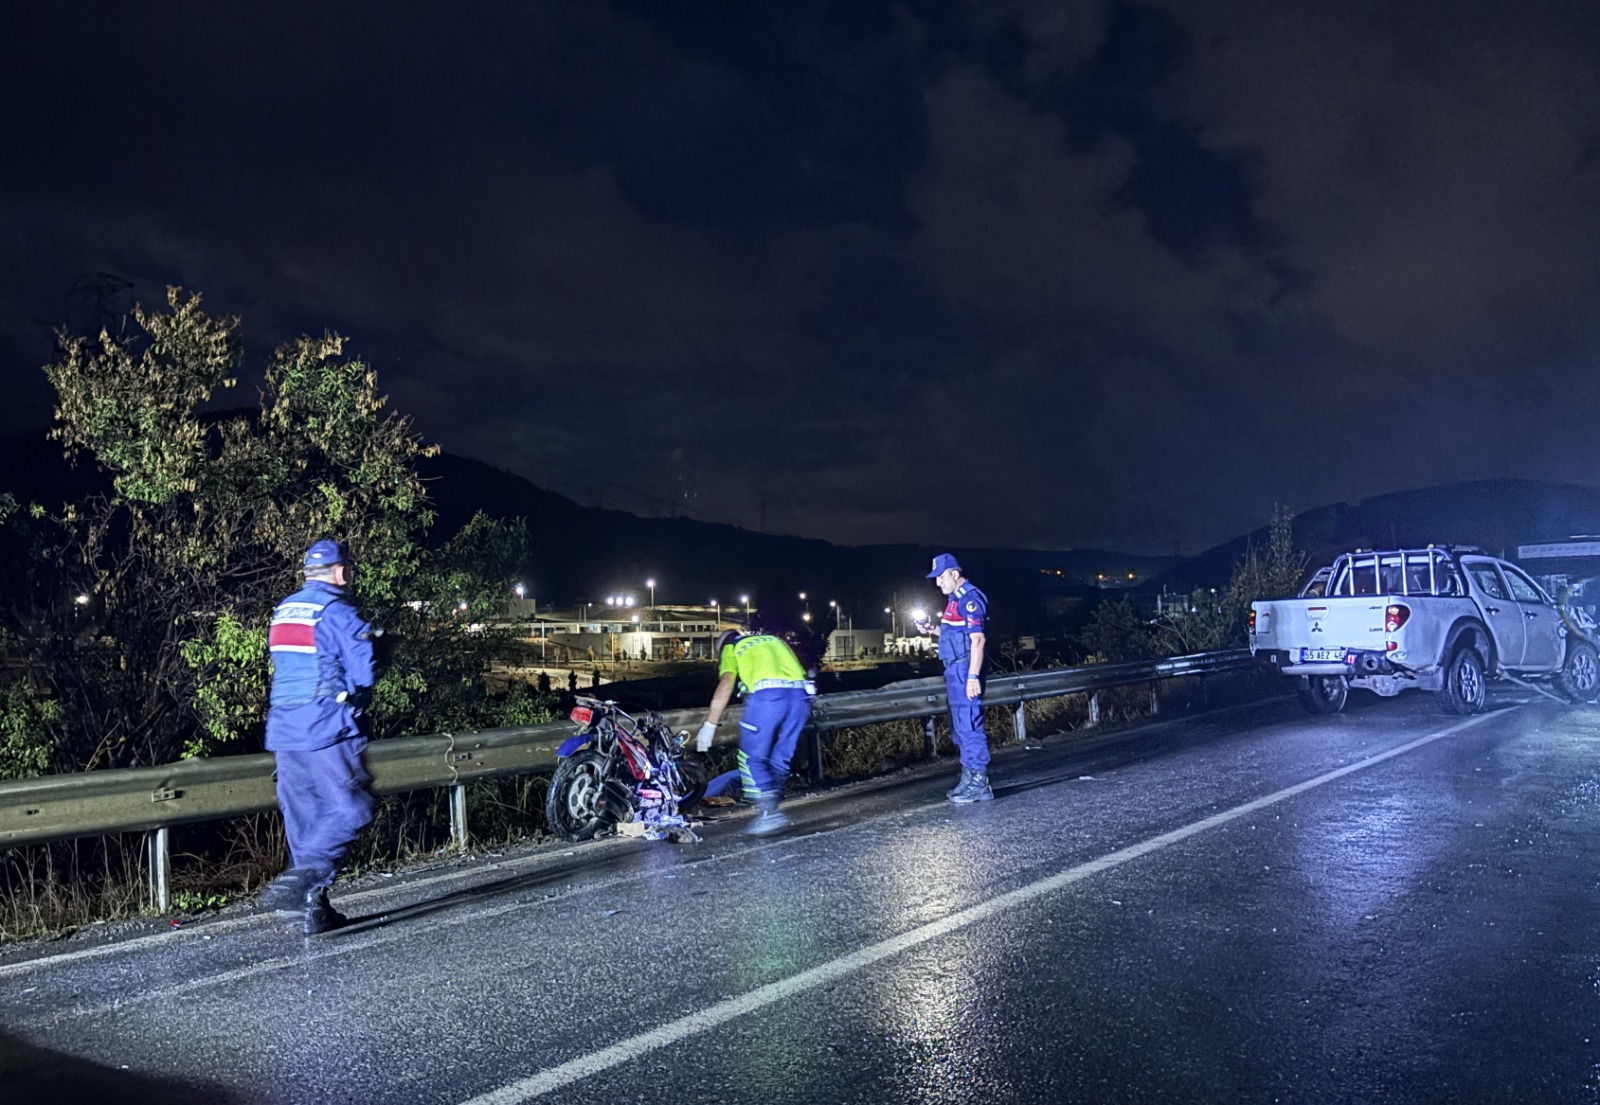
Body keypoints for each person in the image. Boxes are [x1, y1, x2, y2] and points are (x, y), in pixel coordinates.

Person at [259, 539, 380, 934]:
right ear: (341, 572)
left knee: (306, 817)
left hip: (284, 731)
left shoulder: (284, 611)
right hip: (325, 729)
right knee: (352, 808)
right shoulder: (339, 613)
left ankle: (314, 908)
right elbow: (363, 675)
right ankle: (304, 874)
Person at [696, 627, 812, 835]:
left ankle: (769, 813)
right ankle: (772, 810)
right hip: (800, 697)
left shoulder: (732, 647)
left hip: (768, 698)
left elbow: (726, 683)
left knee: (752, 757)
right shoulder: (774, 639)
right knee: (780, 757)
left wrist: (710, 725)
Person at [917, 553, 993, 803]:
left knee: (970, 725)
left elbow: (978, 640)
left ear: (954, 574)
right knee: (960, 727)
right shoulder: (953, 601)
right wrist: (933, 631)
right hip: (953, 669)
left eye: (941, 577)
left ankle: (979, 783)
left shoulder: (970, 600)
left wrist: (973, 676)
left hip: (964, 669)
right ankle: (969, 778)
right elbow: (953, 634)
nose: (938, 583)